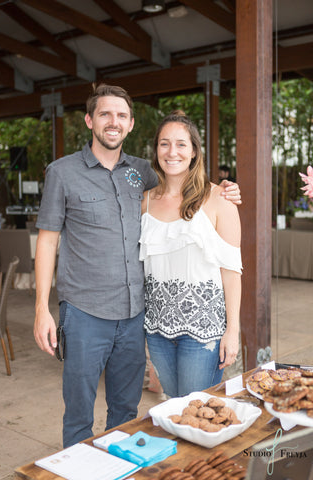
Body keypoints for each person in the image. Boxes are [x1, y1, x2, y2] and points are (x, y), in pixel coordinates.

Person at [33, 83, 242, 448]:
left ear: (130, 125)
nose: (113, 122)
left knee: (127, 414)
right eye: (105, 114)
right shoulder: (62, 173)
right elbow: (48, 241)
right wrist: (41, 308)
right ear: (89, 120)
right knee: (80, 414)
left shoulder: (143, 174)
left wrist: (226, 189)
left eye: (122, 116)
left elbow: (186, 187)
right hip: (84, 314)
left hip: (135, 318)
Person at [139, 111, 242, 398]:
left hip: (204, 332)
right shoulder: (144, 201)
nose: (172, 152)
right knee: (174, 406)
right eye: (164, 143)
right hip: (157, 330)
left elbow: (232, 273)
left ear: (194, 151)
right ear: (156, 149)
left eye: (181, 144)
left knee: (198, 410)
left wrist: (232, 331)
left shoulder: (220, 199)